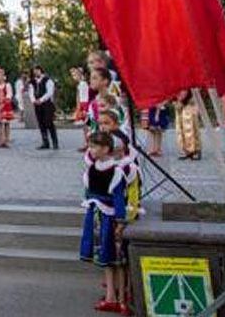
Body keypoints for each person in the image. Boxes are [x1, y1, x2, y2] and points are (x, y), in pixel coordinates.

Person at [80, 131, 132, 314]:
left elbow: (119, 198)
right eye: (90, 146)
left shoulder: (116, 171)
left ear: (105, 148)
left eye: (94, 146)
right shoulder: (92, 170)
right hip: (95, 218)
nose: (91, 150)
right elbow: (87, 193)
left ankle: (122, 297)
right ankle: (110, 295)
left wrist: (120, 221)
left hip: (109, 219)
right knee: (106, 259)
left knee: (118, 258)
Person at [31, 65, 59, 150]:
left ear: (41, 70)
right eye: (34, 71)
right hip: (37, 104)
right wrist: (34, 100)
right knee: (41, 123)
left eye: (37, 70)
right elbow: (31, 92)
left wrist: (41, 100)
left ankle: (55, 142)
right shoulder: (33, 82)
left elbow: (50, 92)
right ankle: (45, 142)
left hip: (47, 104)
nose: (35, 72)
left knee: (49, 122)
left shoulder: (48, 80)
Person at [0, 67, 14, 148]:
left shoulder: (7, 85)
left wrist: (5, 99)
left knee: (6, 122)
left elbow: (10, 94)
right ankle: (1, 140)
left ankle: (7, 140)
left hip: (6, 105)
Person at [175, 90, 201, 161]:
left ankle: (195, 150)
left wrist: (181, 98)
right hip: (180, 104)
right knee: (181, 128)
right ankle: (187, 150)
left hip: (190, 104)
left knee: (191, 128)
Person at [70, 67, 90, 152]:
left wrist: (82, 108)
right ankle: (87, 143)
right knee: (85, 127)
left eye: (75, 75)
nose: (74, 77)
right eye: (73, 75)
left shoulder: (83, 84)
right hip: (83, 105)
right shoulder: (81, 84)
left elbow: (84, 97)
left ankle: (88, 144)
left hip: (84, 105)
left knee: (87, 126)